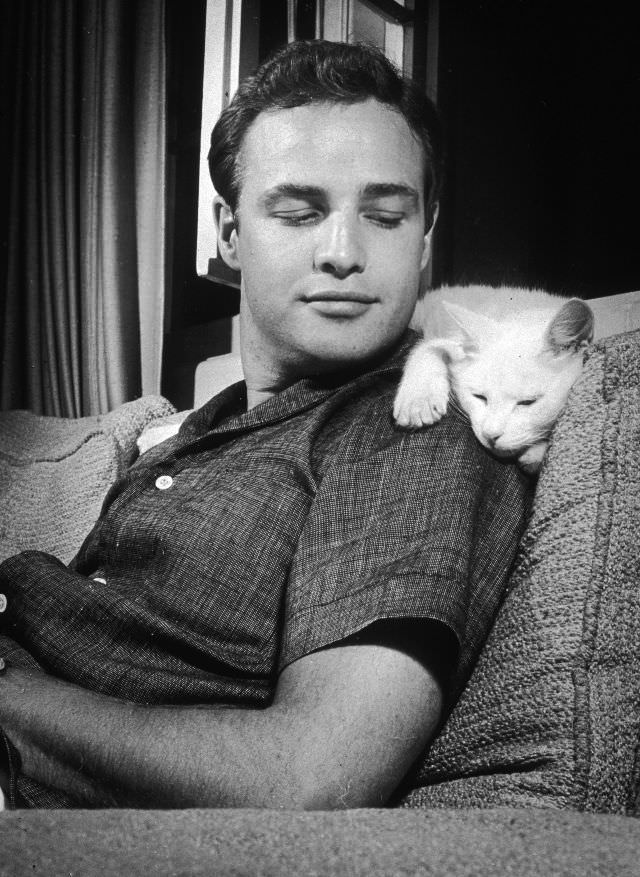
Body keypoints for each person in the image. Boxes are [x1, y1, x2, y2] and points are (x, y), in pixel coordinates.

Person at [0, 40, 532, 810]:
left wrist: (10, 698)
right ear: (228, 233)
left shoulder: (411, 423)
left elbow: (308, 777)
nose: (344, 252)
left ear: (423, 239)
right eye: (298, 211)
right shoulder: (199, 429)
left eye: (385, 215)